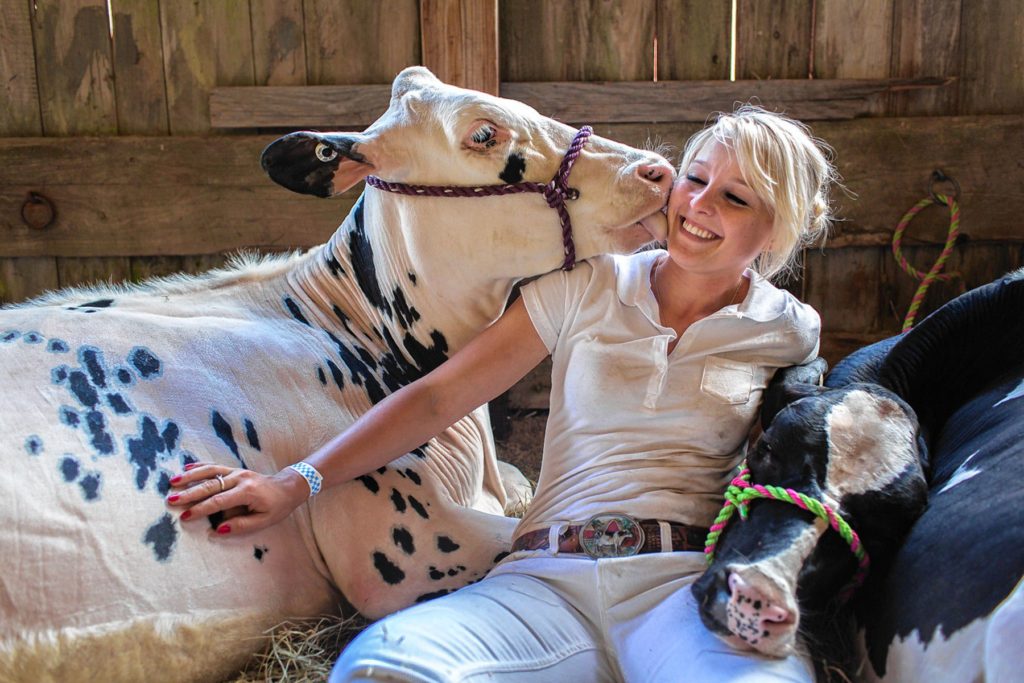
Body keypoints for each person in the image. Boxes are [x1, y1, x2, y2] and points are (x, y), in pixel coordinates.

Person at [168, 105, 838, 682]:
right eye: (696, 178)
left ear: (778, 231)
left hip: (681, 590)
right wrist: (294, 482)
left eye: (736, 198)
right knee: (380, 666)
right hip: (547, 581)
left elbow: (805, 471)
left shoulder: (788, 333)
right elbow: (438, 398)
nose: (698, 205)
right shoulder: (591, 284)